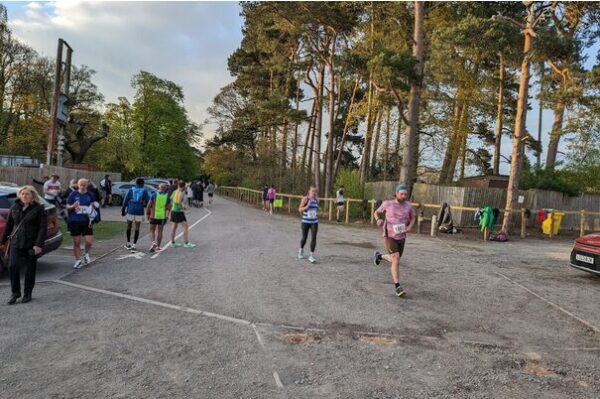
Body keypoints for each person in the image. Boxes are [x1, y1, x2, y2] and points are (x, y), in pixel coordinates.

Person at [0, 186, 47, 304]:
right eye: (22, 194)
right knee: (12, 266)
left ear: (32, 196)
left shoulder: (39, 209)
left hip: (32, 243)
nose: (24, 196)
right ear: (20, 195)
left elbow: (42, 228)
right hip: (16, 242)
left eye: (27, 194)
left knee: (30, 270)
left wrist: (38, 245)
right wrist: (2, 242)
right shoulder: (15, 207)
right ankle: (15, 292)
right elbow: (9, 226)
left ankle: (28, 293)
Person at [372, 184, 416, 297]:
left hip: (401, 236)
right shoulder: (388, 204)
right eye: (401, 194)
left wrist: (410, 227)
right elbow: (376, 212)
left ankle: (379, 256)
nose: (404, 196)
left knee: (394, 259)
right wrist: (378, 219)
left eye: (405, 194)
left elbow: (413, 218)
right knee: (396, 259)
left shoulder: (408, 206)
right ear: (396, 193)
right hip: (389, 235)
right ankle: (398, 287)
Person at [66, 178, 98, 269]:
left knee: (89, 241)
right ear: (78, 185)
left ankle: (86, 253)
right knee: (76, 242)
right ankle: (77, 260)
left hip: (87, 221)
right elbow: (67, 206)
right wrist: (73, 206)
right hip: (75, 220)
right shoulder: (73, 194)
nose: (83, 187)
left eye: (84, 185)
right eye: (81, 185)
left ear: (87, 185)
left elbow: (93, 204)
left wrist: (92, 206)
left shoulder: (90, 194)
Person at [121, 178, 150, 251]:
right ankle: (134, 245)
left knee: (129, 226)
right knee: (137, 227)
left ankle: (128, 243)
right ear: (143, 184)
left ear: (136, 183)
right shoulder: (144, 190)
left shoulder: (131, 190)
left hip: (131, 210)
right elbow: (147, 201)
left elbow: (125, 200)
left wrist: (123, 210)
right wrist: (143, 204)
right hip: (139, 211)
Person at [170, 181, 196, 248]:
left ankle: (172, 242)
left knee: (174, 227)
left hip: (173, 210)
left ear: (178, 185)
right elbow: (179, 202)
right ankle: (186, 243)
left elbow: (171, 199)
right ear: (184, 186)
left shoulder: (175, 191)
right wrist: (183, 210)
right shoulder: (181, 193)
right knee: (185, 226)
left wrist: (174, 205)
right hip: (178, 211)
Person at [147, 183, 171, 253]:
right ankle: (158, 246)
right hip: (162, 216)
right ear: (165, 189)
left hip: (153, 215)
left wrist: (147, 213)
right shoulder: (167, 197)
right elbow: (169, 207)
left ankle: (153, 243)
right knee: (160, 231)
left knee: (151, 230)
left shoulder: (154, 195)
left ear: (159, 188)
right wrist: (167, 216)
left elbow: (149, 205)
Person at [297, 186, 319, 264]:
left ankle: (311, 255)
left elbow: (316, 210)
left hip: (314, 222)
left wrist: (316, 214)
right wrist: (307, 206)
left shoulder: (317, 199)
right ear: (309, 191)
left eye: (315, 191)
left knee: (314, 238)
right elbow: (299, 209)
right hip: (305, 221)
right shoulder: (305, 199)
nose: (314, 193)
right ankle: (301, 250)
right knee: (304, 238)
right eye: (312, 191)